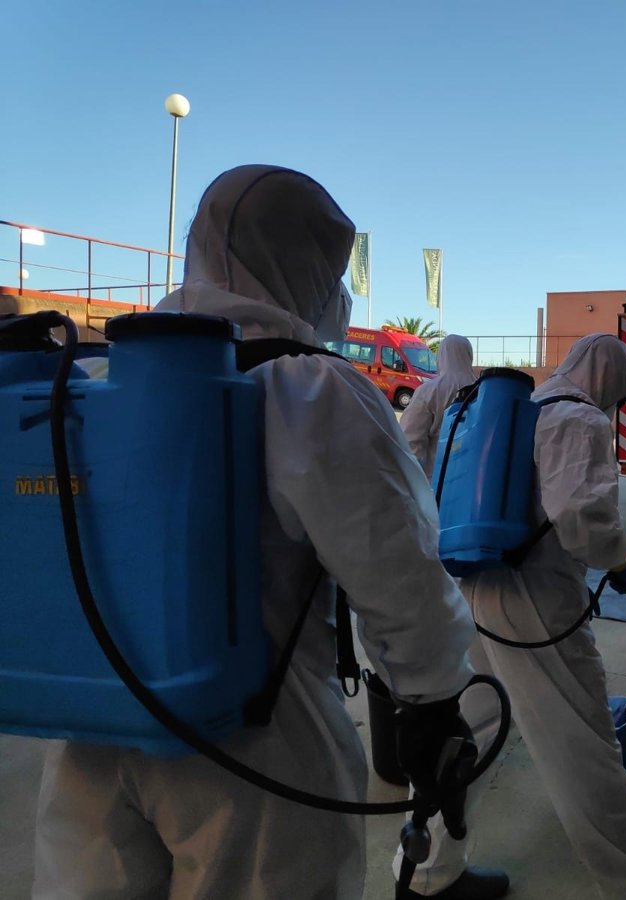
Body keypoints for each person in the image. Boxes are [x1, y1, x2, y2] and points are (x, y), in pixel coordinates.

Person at [32, 165, 498, 900]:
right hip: (257, 747)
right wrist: (434, 700)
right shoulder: (308, 386)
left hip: (93, 733)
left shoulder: (91, 381)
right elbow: (398, 575)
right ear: (304, 267)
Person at [401, 333, 626, 900]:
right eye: (618, 395)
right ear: (607, 380)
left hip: (474, 584)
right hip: (536, 604)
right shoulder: (579, 419)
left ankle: (426, 876)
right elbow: (582, 521)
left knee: (468, 731)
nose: (615, 406)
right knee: (585, 748)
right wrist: (621, 560)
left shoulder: (519, 407)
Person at [401, 334, 476, 480]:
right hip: (470, 481)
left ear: (441, 356)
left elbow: (409, 441)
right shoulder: (481, 389)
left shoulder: (429, 391)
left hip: (435, 481)